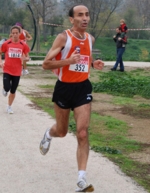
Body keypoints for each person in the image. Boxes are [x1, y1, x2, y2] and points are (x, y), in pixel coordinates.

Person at [39, 4, 104, 192]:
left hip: (83, 88)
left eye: (87, 15)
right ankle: (48, 134)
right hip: (64, 88)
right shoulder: (63, 37)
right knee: (62, 131)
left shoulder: (90, 38)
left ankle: (81, 179)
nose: (85, 18)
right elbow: (45, 64)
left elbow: (85, 57)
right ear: (71, 19)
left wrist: (93, 62)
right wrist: (68, 61)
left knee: (82, 132)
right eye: (80, 15)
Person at [0, 25, 30, 114]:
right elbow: (0, 52)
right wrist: (1, 62)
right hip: (7, 69)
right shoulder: (6, 44)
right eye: (13, 33)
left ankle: (9, 107)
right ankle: (5, 89)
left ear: (19, 34)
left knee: (13, 90)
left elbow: (28, 57)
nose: (15, 35)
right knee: (7, 87)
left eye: (16, 33)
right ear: (11, 34)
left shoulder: (23, 45)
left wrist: (24, 59)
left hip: (17, 71)